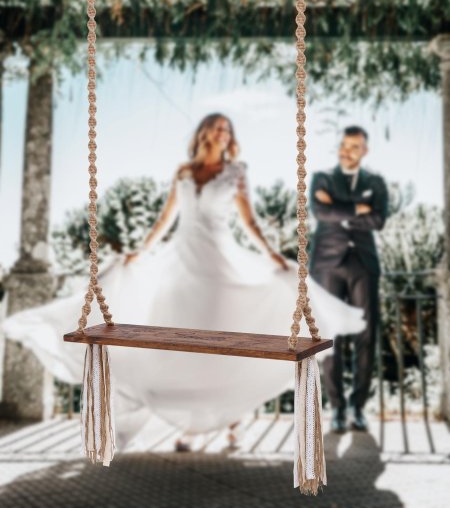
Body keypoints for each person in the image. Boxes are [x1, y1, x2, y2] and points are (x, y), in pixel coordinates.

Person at [2, 113, 366, 451]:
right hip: (181, 265)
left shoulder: (236, 172)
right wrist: (140, 252)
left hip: (219, 267)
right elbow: (165, 219)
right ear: (205, 132)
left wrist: (273, 255)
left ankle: (234, 421)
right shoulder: (184, 172)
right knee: (182, 353)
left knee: (221, 349)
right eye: (218, 127)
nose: (224, 133)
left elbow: (249, 221)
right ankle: (191, 426)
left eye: (228, 130)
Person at [309, 125, 389, 434]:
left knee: (366, 337)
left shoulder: (375, 182)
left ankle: (357, 407)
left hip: (363, 266)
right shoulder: (322, 178)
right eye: (344, 145)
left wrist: (338, 209)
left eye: (354, 147)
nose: (347, 151)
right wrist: (358, 208)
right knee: (331, 338)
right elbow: (321, 212)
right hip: (327, 266)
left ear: (364, 151)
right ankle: (338, 408)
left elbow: (378, 220)